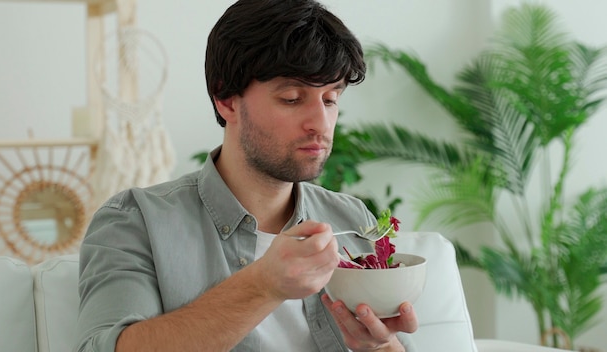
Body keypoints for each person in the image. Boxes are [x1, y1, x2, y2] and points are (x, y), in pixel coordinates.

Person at [74, 0, 419, 351]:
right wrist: (262, 286)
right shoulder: (135, 222)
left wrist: (380, 347)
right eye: (292, 98)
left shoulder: (354, 220)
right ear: (226, 100)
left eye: (330, 99)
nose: (320, 123)